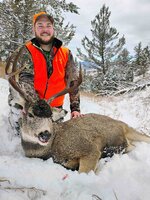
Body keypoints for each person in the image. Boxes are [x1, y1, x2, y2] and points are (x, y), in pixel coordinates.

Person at [6, 11, 82, 134]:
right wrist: (32, 106)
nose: (44, 29)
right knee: (22, 134)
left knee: (53, 140)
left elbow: (73, 82)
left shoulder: (65, 53)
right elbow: (26, 79)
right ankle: (15, 124)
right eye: (40, 26)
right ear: (34, 29)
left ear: (53, 29)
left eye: (48, 26)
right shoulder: (27, 50)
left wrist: (75, 109)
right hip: (31, 105)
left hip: (53, 108)